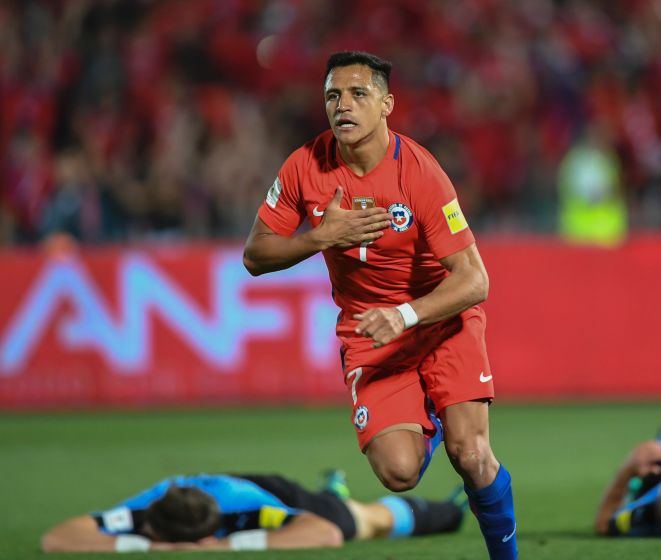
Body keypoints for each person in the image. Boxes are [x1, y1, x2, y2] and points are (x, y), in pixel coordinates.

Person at [242, 51, 516, 559]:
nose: (342, 106)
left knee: (472, 455)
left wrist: (407, 314)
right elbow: (255, 255)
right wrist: (320, 237)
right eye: (332, 96)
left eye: (357, 94)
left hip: (440, 319)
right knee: (399, 472)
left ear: (387, 104)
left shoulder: (419, 173)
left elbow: (475, 280)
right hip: (368, 330)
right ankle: (431, 408)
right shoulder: (305, 166)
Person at [41, 471, 465, 553]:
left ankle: (452, 509)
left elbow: (322, 535)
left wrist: (222, 549)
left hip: (270, 492)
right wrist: (145, 548)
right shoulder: (147, 510)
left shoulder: (245, 513)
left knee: (362, 522)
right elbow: (57, 538)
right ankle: (332, 485)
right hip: (218, 488)